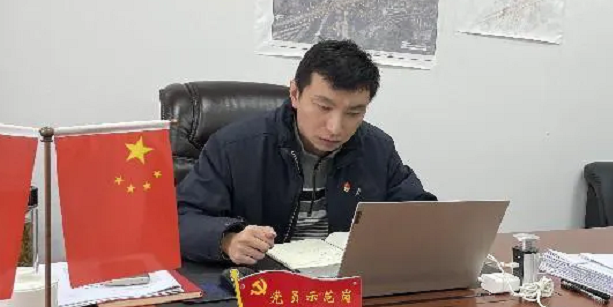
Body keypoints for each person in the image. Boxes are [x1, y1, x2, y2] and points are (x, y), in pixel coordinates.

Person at [177, 39, 435, 264]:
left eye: (354, 113)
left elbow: (419, 213)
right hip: (263, 283)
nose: (335, 128)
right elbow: (181, 219)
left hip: (346, 283)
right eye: (324, 107)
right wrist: (228, 240)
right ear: (295, 94)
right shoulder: (234, 146)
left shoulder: (377, 148)